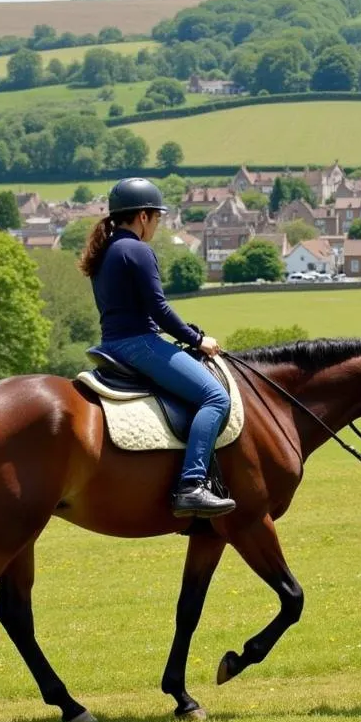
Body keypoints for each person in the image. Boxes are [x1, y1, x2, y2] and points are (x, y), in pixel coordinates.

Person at [79, 178, 236, 519]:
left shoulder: (105, 251)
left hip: (112, 344)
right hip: (139, 345)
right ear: (144, 217)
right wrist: (198, 340)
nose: (158, 225)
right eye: (158, 218)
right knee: (215, 398)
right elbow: (159, 309)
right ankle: (192, 484)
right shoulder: (137, 250)